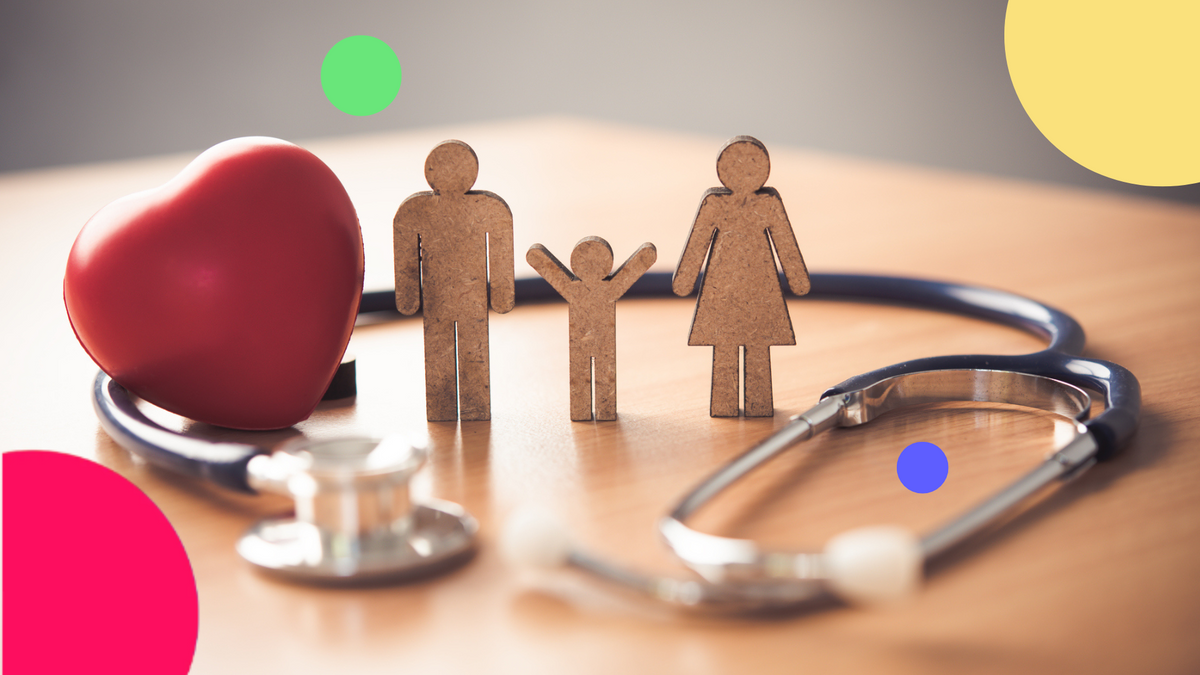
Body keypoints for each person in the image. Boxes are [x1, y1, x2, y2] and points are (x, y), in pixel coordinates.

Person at [672, 136, 810, 417]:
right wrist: (685, 280)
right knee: (724, 345)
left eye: (752, 164)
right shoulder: (714, 204)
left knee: (758, 345)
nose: (744, 171)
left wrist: (798, 279)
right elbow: (697, 242)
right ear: (723, 168)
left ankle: (758, 405)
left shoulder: (768, 204)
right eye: (737, 164)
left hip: (761, 287)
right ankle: (724, 404)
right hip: (720, 288)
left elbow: (785, 243)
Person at [393, 140, 515, 421]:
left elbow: (500, 249)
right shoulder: (415, 210)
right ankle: (445, 407)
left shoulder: (488, 208)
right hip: (439, 301)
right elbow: (406, 256)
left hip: (470, 301)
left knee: (472, 351)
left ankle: (471, 406)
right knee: (441, 353)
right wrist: (408, 296)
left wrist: (501, 294)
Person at [527, 237, 657, 421]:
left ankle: (596, 411)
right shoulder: (597, 289)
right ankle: (591, 411)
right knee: (589, 375)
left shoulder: (590, 289)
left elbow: (547, 267)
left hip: (598, 343)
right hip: (588, 343)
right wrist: (646, 255)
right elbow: (634, 269)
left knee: (599, 375)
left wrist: (536, 256)